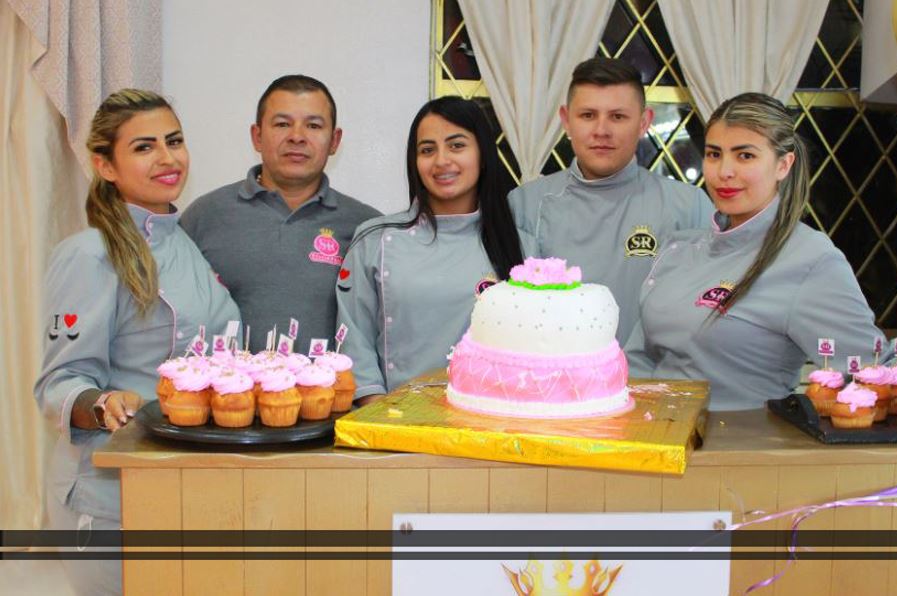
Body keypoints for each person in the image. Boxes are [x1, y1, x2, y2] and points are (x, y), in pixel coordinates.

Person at [34, 89, 240, 595]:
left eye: (174, 141)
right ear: (105, 165)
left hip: (180, 480)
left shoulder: (184, 241)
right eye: (144, 147)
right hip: (110, 498)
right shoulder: (89, 255)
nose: (168, 158)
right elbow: (57, 385)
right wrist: (101, 403)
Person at [624, 92, 897, 410]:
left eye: (745, 156)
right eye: (714, 154)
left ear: (783, 164)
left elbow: (877, 364)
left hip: (739, 451)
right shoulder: (679, 249)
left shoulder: (808, 259)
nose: (724, 171)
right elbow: (638, 359)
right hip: (652, 442)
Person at [336, 96, 530, 402]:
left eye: (457, 146)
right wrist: (382, 416)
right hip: (393, 426)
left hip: (489, 428)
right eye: (427, 150)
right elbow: (353, 341)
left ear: (483, 154)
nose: (441, 161)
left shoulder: (521, 246)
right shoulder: (375, 240)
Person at [508, 57, 713, 345]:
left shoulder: (688, 206)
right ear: (566, 120)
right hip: (556, 382)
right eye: (588, 115)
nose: (601, 130)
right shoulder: (525, 205)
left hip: (656, 381)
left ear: (644, 123)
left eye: (618, 116)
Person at [180, 75, 380, 353]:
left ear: (334, 141)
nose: (297, 136)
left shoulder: (367, 228)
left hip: (332, 396)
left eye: (313, 125)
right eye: (282, 124)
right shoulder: (204, 216)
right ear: (257, 136)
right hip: (227, 394)